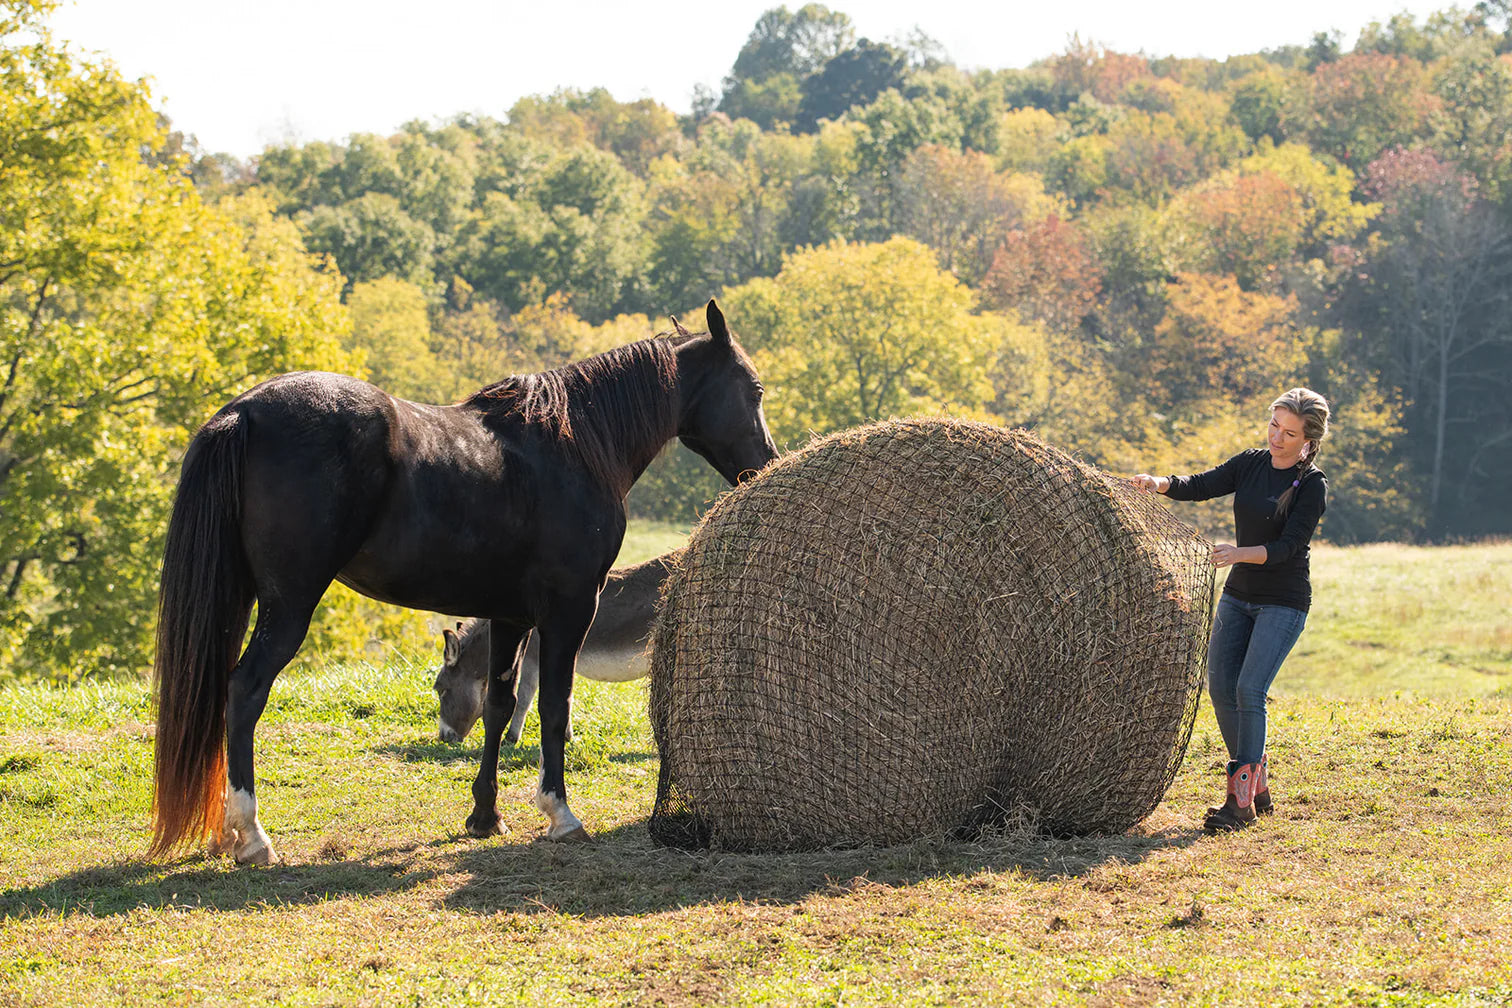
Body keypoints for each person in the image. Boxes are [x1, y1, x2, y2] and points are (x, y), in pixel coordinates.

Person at [1132, 388, 1331, 832]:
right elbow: (1201, 485)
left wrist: (1238, 553)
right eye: (1274, 426)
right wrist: (1158, 483)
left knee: (1249, 690)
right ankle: (1255, 781)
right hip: (1238, 596)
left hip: (1283, 600)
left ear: (1308, 440)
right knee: (1221, 687)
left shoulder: (1312, 485)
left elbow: (1288, 548)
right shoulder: (1251, 462)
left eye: (1289, 432)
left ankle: (1239, 804)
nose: (1277, 437)